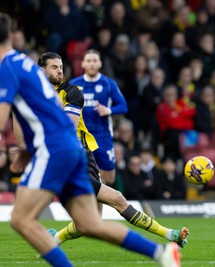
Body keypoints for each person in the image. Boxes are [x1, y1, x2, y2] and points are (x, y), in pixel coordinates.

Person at [0, 13, 180, 267]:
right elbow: (47, 119)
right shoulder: (25, 66)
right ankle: (160, 252)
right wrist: (27, 149)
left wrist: (27, 147)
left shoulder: (7, 68)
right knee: (89, 223)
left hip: (55, 151)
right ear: (9, 36)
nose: (60, 71)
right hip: (68, 149)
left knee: (21, 219)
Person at [38, 52, 189, 248]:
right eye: (54, 67)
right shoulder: (36, 97)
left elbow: (68, 126)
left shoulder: (72, 91)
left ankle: (54, 238)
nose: (59, 71)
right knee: (116, 199)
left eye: (60, 67)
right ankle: (169, 235)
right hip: (68, 160)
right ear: (42, 70)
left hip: (86, 155)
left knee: (89, 221)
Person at [69, 49, 127, 186]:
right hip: (82, 137)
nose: (92, 64)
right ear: (82, 64)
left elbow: (124, 106)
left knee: (108, 178)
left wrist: (108, 110)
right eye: (88, 61)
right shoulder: (74, 84)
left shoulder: (108, 83)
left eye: (95, 61)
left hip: (103, 136)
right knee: (90, 178)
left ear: (100, 63)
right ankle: (92, 205)